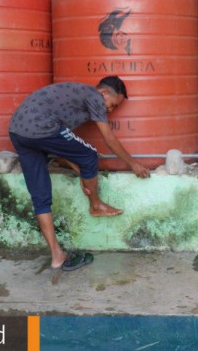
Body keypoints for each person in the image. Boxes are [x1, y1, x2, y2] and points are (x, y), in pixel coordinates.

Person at [9, 76, 150, 271]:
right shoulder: (94, 96)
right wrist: (133, 164)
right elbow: (108, 138)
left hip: (18, 131)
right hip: (41, 128)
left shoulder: (73, 100)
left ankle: (57, 256)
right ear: (104, 93)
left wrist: (78, 169)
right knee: (90, 155)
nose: (110, 110)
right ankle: (96, 205)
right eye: (112, 105)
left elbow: (56, 142)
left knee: (40, 196)